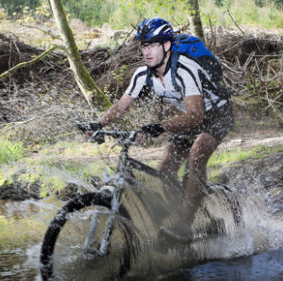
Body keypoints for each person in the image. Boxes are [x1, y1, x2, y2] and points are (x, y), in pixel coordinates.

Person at [86, 17, 234, 240]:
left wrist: (160, 127)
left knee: (196, 156)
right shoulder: (142, 74)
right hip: (189, 118)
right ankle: (185, 210)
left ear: (166, 46)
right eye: (144, 45)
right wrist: (98, 124)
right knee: (166, 167)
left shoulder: (185, 69)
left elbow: (196, 115)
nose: (147, 51)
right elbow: (121, 106)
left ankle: (183, 226)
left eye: (153, 44)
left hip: (217, 114)